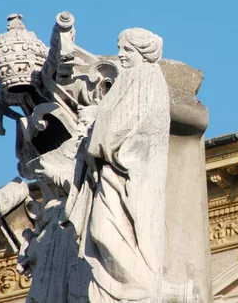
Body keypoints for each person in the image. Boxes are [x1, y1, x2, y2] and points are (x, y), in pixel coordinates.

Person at [84, 28, 170, 302]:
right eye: (120, 48)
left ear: (142, 55)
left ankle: (139, 286)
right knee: (100, 230)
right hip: (114, 170)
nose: (120, 55)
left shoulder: (147, 78)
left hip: (127, 171)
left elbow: (130, 126)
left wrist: (97, 143)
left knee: (103, 230)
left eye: (127, 50)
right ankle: (130, 286)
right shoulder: (131, 79)